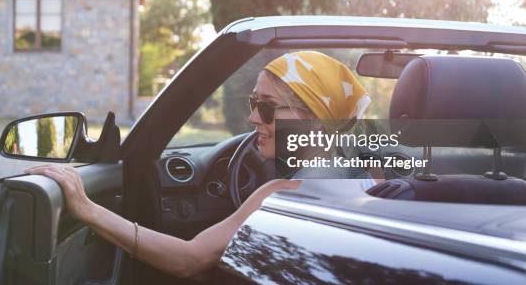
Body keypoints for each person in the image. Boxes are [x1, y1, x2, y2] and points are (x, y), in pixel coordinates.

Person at [25, 51, 371, 279]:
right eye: (253, 102)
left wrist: (86, 209)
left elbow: (189, 260)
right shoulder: (374, 175)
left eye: (267, 107)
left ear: (316, 121)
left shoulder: (281, 193)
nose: (252, 117)